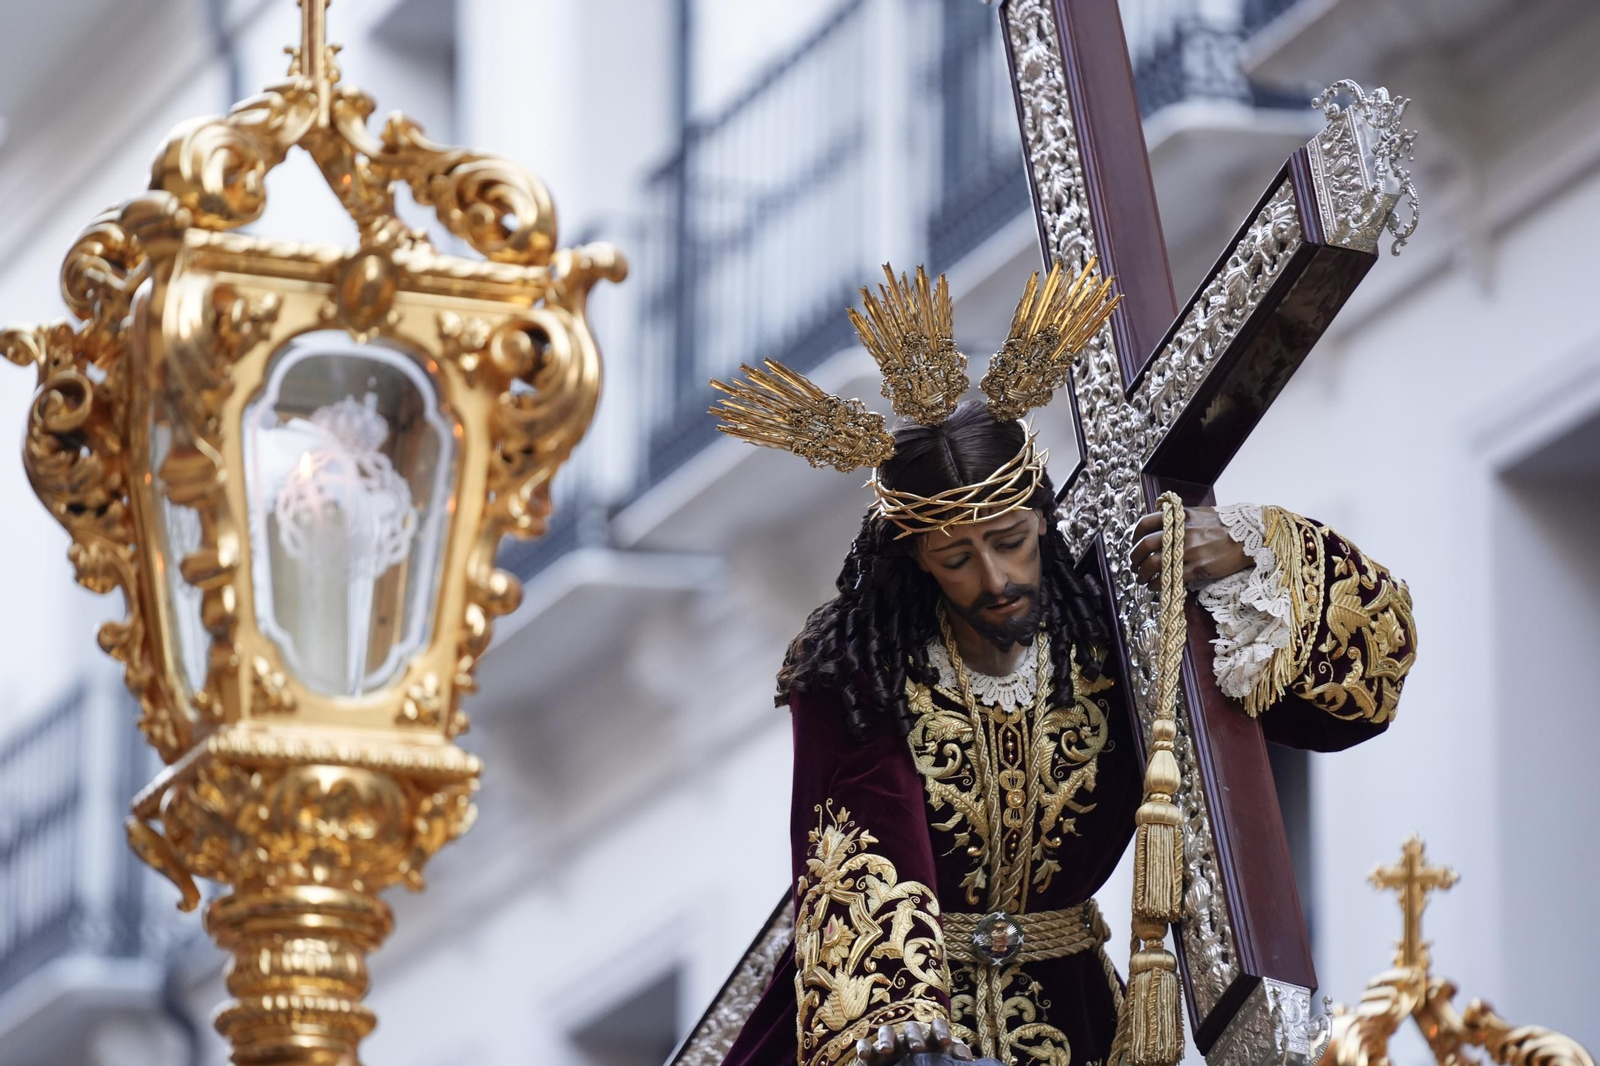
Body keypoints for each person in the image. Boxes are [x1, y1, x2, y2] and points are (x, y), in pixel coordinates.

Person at [701, 264, 1416, 1066]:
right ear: (918, 564)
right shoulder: (857, 672)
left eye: (1009, 541)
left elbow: (1356, 689)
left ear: (1043, 521)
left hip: (1077, 1022)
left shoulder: (1116, 640)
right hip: (903, 1031)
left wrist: (1253, 549)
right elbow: (864, 851)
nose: (996, 578)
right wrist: (905, 1038)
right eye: (956, 558)